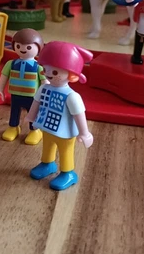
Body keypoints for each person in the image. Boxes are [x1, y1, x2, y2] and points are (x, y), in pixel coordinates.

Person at [26, 41, 94, 191]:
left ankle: (68, 173)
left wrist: (84, 133)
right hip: (46, 125)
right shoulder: (44, 88)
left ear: (72, 75)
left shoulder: (72, 96)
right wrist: (31, 117)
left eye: (55, 72)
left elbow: (79, 115)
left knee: (65, 152)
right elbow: (36, 103)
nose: (49, 74)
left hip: (65, 132)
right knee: (47, 146)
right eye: (46, 69)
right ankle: (47, 164)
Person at [0, 29, 46, 145]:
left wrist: (44, 95)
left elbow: (45, 82)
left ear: (38, 48)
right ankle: (13, 127)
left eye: (28, 47)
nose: (23, 49)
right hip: (15, 94)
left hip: (32, 97)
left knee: (32, 113)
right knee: (14, 111)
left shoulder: (38, 67)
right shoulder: (11, 64)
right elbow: (4, 76)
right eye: (18, 46)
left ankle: (35, 131)